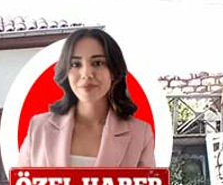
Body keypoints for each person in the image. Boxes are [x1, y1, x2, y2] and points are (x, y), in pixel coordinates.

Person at [16, 28, 155, 168]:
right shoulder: (39, 127)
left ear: (113, 71)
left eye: (98, 63)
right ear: (66, 72)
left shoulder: (140, 134)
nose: (86, 74)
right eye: (76, 64)